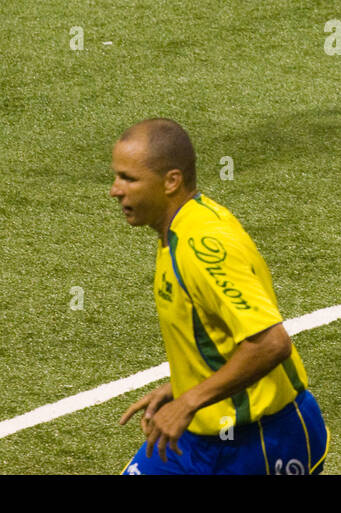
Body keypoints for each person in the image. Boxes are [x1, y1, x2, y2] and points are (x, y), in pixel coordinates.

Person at [111, 118, 328, 473]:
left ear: (171, 182)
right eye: (117, 176)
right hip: (198, 438)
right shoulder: (185, 224)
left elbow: (271, 343)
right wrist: (185, 383)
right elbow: (218, 330)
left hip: (260, 441)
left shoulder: (202, 248)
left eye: (129, 179)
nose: (115, 190)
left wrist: (190, 400)